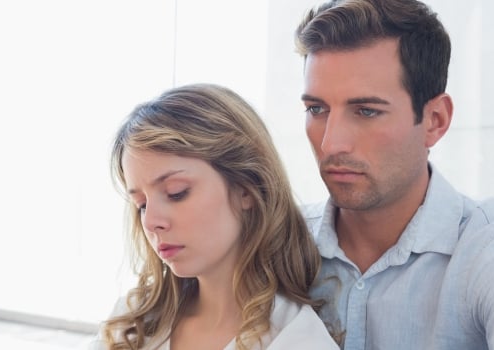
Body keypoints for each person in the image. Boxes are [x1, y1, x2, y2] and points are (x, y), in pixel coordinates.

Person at [293, 0, 494, 349]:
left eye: (366, 111)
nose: (332, 143)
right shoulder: (275, 243)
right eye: (316, 109)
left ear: (435, 120)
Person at [91, 83, 339, 350]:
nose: (151, 222)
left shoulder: (297, 340)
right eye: (141, 204)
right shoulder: (132, 322)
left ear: (246, 188)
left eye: (177, 193)